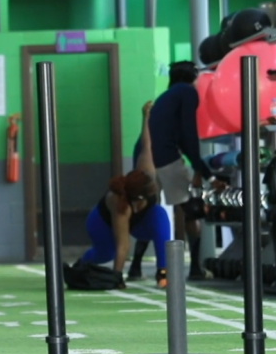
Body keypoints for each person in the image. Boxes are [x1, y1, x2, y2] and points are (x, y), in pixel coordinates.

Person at [138, 61, 223, 280]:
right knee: (190, 210)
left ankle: (135, 265)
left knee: (150, 208)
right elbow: (188, 134)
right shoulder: (187, 93)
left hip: (150, 157)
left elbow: (179, 137)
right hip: (167, 158)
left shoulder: (167, 95)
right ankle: (195, 267)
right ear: (194, 76)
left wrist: (201, 169)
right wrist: (204, 171)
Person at [82, 101, 171, 288]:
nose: (155, 187)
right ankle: (83, 263)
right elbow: (123, 245)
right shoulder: (119, 204)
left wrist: (145, 117)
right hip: (101, 223)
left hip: (138, 221)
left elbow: (146, 144)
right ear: (140, 197)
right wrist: (117, 277)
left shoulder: (147, 172)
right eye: (152, 189)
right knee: (106, 254)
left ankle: (163, 272)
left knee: (160, 216)